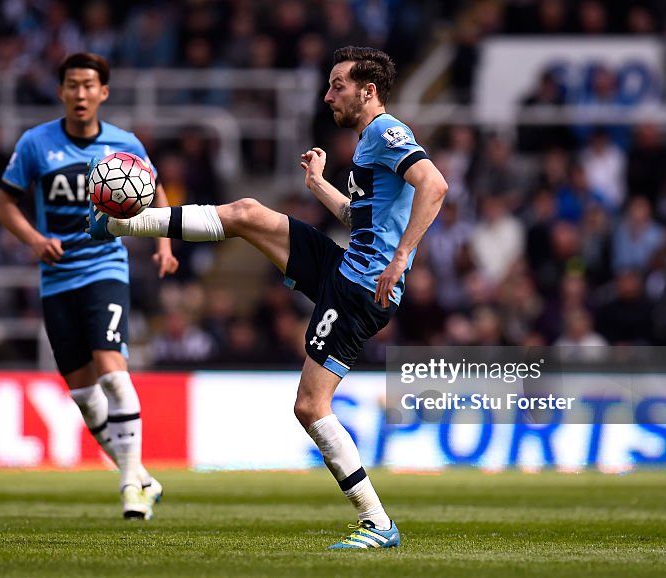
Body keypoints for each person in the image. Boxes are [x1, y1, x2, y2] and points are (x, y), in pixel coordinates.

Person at [87, 46, 447, 548]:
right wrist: (318, 185)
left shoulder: (388, 134)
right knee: (247, 213)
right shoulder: (367, 142)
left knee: (310, 405)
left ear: (368, 91)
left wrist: (403, 256)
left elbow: (435, 184)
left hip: (363, 286)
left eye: (337, 85)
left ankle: (378, 522)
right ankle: (120, 222)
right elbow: (359, 220)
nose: (327, 96)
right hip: (347, 265)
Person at [0, 53, 178, 519]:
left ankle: (128, 487)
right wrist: (35, 240)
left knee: (114, 373)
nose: (80, 93)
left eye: (88, 85)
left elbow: (155, 190)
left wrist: (162, 242)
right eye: (72, 85)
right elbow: (4, 205)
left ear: (103, 93)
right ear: (61, 91)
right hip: (56, 278)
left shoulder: (124, 144)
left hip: (104, 269)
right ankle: (142, 475)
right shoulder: (36, 144)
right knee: (82, 395)